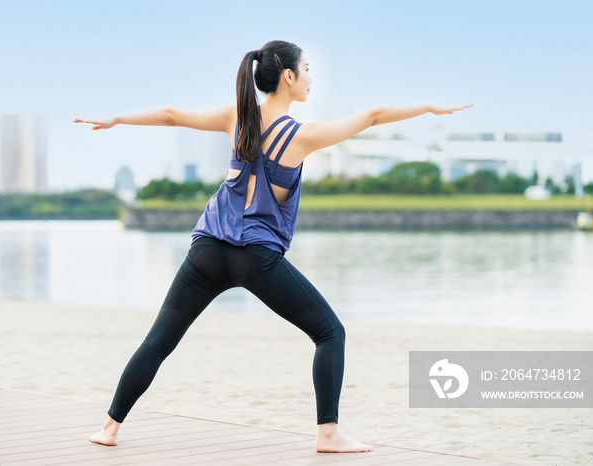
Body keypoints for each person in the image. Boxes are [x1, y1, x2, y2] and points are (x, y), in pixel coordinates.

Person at [74, 39, 472, 453]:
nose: (311, 78)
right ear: (288, 77)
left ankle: (109, 428)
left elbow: (172, 115)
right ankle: (328, 433)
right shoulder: (301, 137)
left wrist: (117, 118)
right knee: (329, 332)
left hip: (207, 249)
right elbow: (371, 116)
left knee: (158, 342)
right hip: (255, 257)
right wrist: (428, 107)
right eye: (307, 69)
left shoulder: (237, 118)